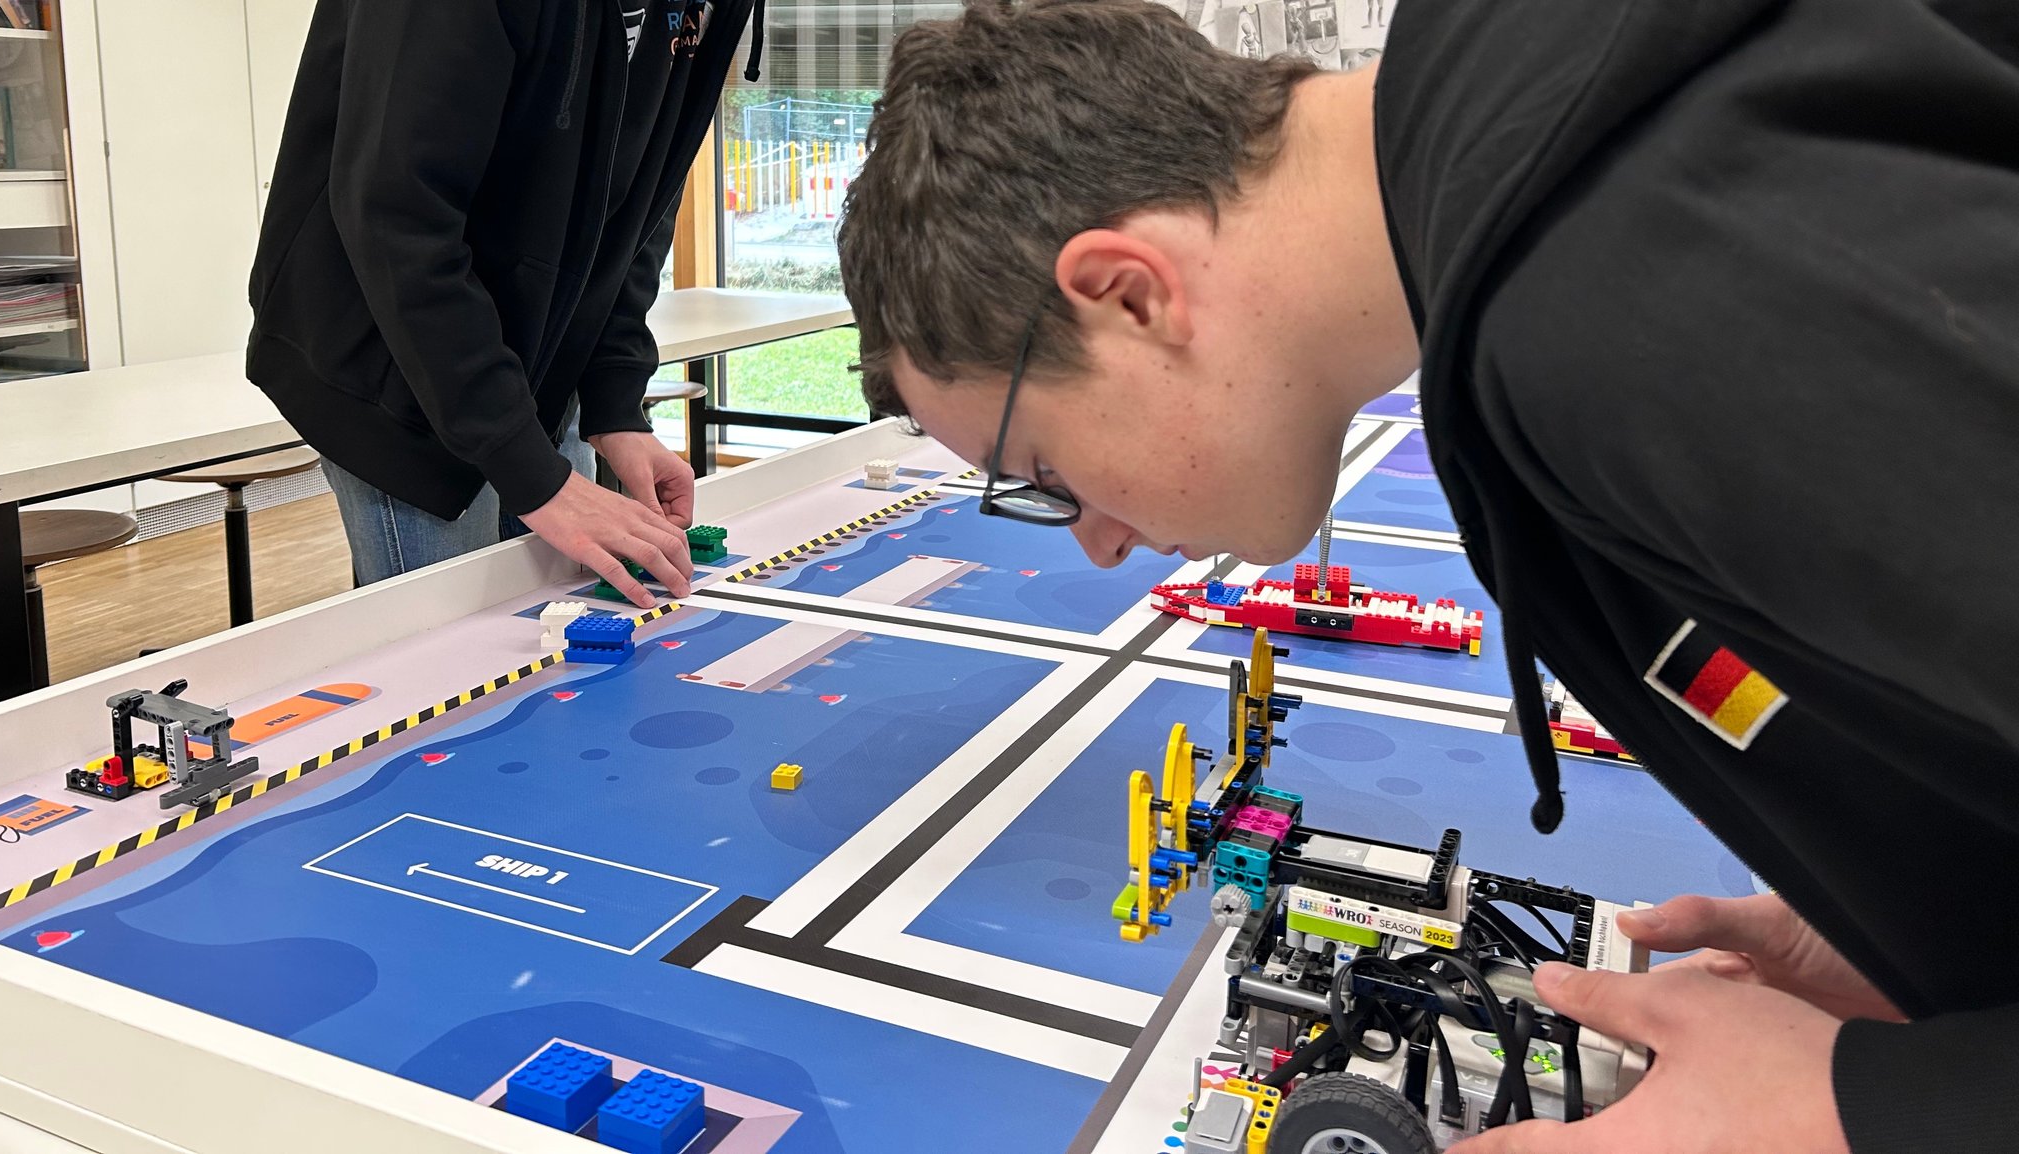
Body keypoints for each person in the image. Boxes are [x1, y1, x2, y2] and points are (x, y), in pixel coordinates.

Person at [833, 1, 2019, 1151]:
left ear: (1129, 292)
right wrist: (1947, 916)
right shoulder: (1563, 162)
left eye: (1042, 470)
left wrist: (1877, 1111)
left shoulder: (1614, 297)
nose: (1092, 540)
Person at [247, 0, 768, 608]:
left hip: (538, 365)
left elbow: (640, 203)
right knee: (451, 671)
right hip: (399, 369)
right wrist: (534, 475)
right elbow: (398, 221)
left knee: (552, 642)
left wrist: (613, 401)